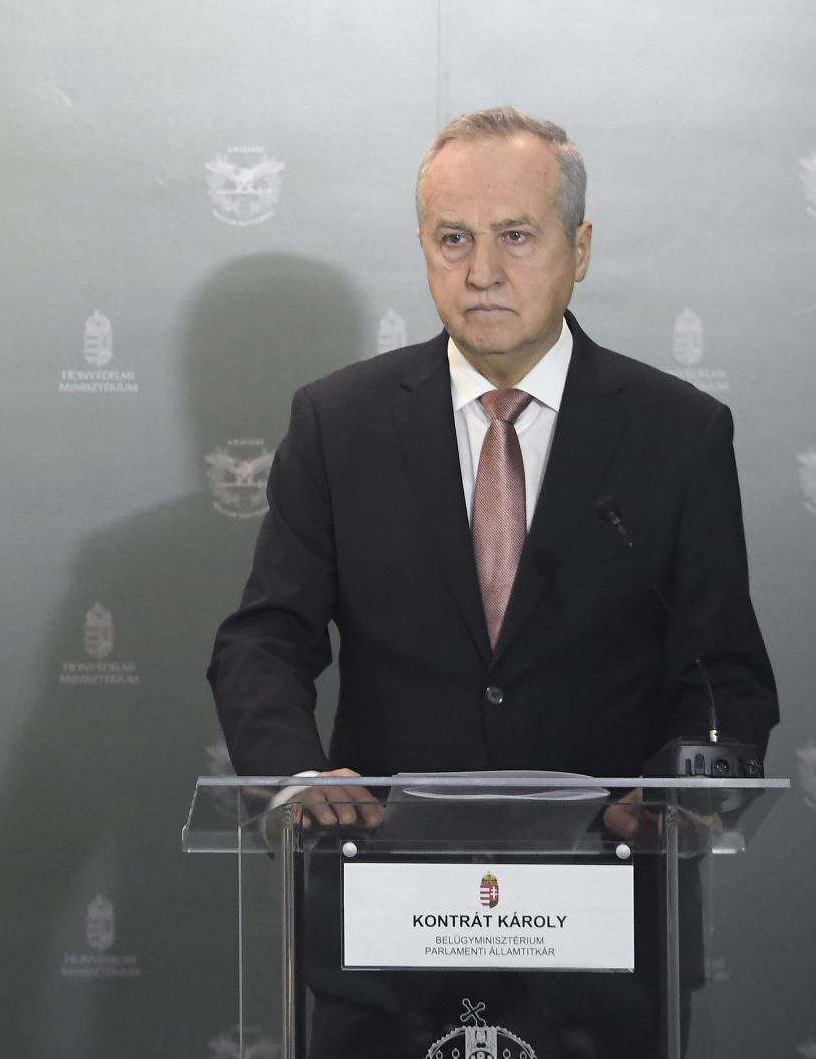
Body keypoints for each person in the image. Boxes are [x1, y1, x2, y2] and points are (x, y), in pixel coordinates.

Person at [207, 108, 777, 1056]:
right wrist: (298, 778)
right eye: (453, 239)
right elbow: (262, 639)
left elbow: (726, 678)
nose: (481, 272)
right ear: (424, 247)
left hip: (604, 928)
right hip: (387, 929)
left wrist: (675, 797)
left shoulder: (677, 433)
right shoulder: (339, 424)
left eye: (515, 236)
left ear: (578, 247)